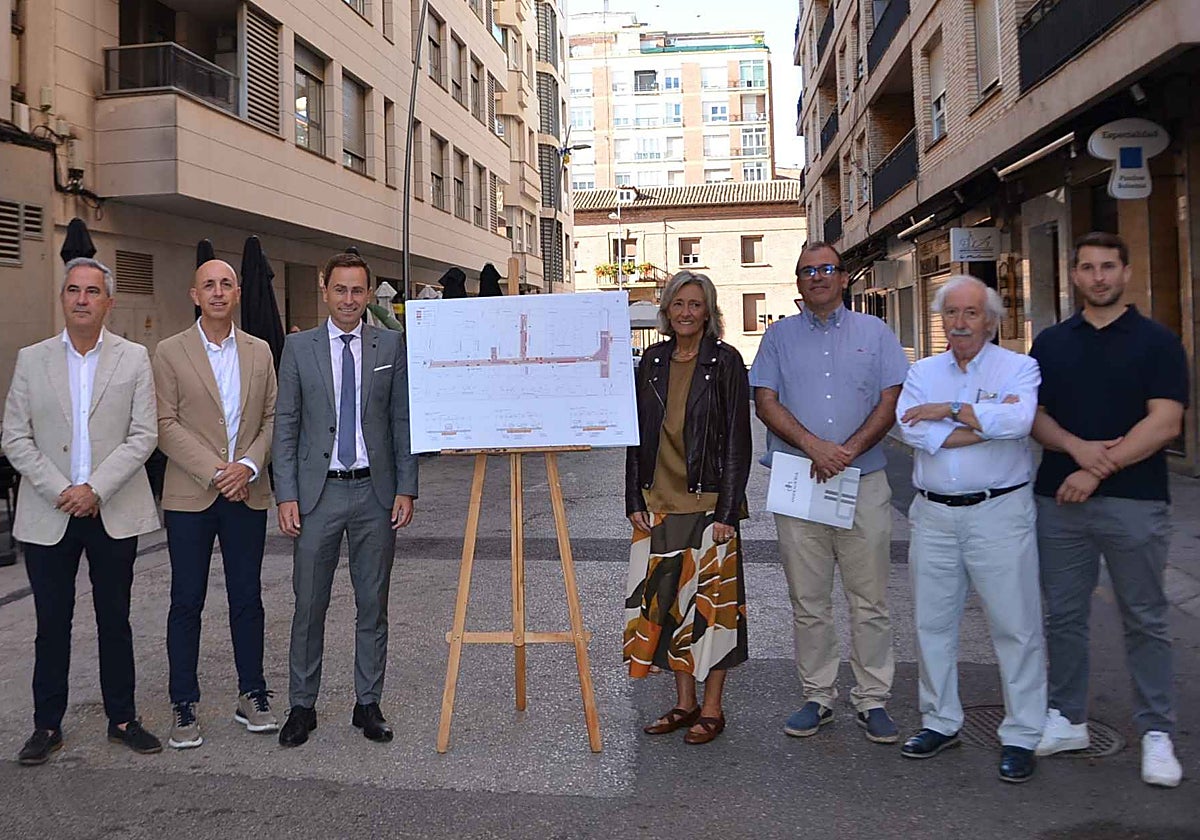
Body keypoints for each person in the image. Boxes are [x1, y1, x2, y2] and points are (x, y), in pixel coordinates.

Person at [1030, 232, 1187, 788]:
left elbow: (1165, 422)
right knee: (1064, 617)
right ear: (1074, 275)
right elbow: (1035, 415)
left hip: (1135, 502)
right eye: (1088, 267)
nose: (1099, 277)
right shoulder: (1050, 343)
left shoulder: (1158, 342)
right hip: (1058, 502)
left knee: (1145, 617)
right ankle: (1067, 717)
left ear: (1125, 272)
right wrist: (1075, 450)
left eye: (1109, 267)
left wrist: (1095, 468)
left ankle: (1156, 732)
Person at [3, 257, 163, 765]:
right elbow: (15, 437)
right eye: (73, 290)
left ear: (108, 302)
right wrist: (62, 489)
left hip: (110, 508)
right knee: (53, 622)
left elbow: (144, 435)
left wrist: (94, 487)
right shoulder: (32, 359)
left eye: (92, 292)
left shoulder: (134, 358)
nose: (81, 299)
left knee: (114, 618)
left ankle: (123, 719)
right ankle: (47, 725)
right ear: (63, 298)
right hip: (50, 512)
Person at [750, 242, 908, 744]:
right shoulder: (777, 337)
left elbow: (890, 400)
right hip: (801, 482)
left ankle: (872, 698)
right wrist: (816, 446)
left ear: (843, 279)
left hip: (863, 480)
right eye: (806, 271)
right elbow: (765, 401)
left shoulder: (875, 333)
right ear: (797, 282)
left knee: (870, 599)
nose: (816, 277)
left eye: (826, 269)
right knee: (808, 598)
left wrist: (846, 451)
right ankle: (818, 695)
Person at [894, 274, 1045, 783]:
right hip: (933, 514)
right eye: (951, 314)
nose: (959, 323)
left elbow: (1019, 423)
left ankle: (1022, 732)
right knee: (931, 624)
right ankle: (940, 721)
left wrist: (950, 412)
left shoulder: (1019, 367)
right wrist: (983, 421)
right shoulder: (922, 372)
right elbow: (912, 430)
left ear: (992, 320)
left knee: (1015, 625)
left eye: (971, 313)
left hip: (998, 512)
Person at [273, 251, 418, 747]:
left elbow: (402, 420)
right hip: (318, 495)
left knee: (372, 604)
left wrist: (406, 486)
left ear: (368, 293)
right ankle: (301, 706)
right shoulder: (299, 349)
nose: (349, 300)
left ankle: (367, 703)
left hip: (375, 496)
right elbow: (286, 424)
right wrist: (285, 493)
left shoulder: (391, 346)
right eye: (340, 290)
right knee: (308, 604)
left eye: (358, 291)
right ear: (324, 289)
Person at [152, 259, 279, 749]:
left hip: (245, 493)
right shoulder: (169, 352)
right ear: (195, 294)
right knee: (187, 600)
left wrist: (245, 467)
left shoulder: (260, 351)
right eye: (209, 285)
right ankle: (183, 703)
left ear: (239, 292)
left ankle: (253, 693)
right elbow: (165, 424)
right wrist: (215, 471)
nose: (219, 292)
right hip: (191, 496)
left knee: (247, 599)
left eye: (227, 284)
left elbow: (271, 418)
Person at [624, 270, 751, 745]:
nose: (685, 313)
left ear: (708, 311)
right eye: (678, 304)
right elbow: (636, 435)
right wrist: (633, 495)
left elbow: (738, 440)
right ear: (667, 310)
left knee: (714, 611)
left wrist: (728, 511)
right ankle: (684, 702)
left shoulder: (726, 362)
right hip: (660, 504)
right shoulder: (652, 361)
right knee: (669, 608)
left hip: (709, 503)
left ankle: (713, 708)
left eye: (695, 304)